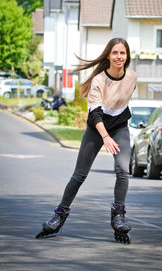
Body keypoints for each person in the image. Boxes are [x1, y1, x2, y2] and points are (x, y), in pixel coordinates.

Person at [35, 37, 137, 243]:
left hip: (119, 127)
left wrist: (113, 132)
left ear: (127, 57)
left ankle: (119, 215)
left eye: (123, 53)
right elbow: (95, 114)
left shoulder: (132, 77)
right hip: (95, 129)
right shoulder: (98, 80)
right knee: (79, 174)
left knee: (123, 170)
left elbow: (120, 105)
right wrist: (105, 136)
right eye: (115, 52)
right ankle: (59, 215)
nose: (119, 57)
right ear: (108, 55)